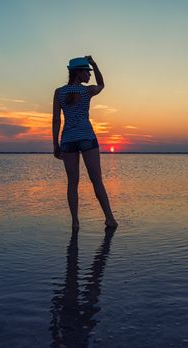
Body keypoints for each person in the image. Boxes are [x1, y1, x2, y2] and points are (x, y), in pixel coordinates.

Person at [52, 55, 118, 231]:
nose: (89, 75)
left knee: (72, 182)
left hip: (67, 140)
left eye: (90, 72)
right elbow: (102, 84)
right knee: (97, 180)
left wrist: (55, 145)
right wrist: (95, 63)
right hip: (87, 138)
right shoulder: (87, 91)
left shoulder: (59, 92)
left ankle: (75, 222)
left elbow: (56, 120)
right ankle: (110, 219)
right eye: (87, 72)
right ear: (78, 72)